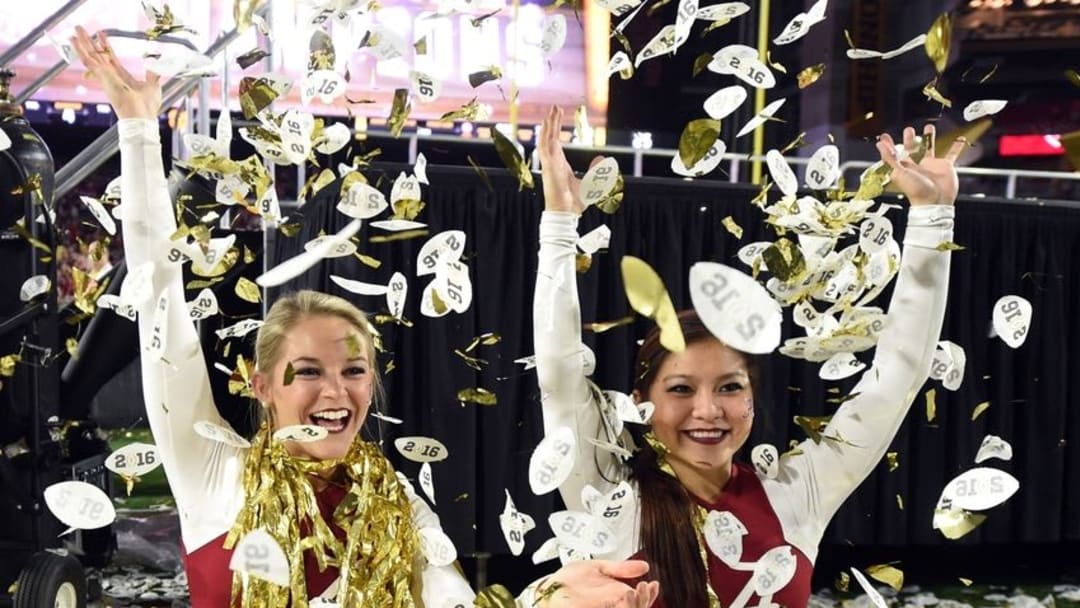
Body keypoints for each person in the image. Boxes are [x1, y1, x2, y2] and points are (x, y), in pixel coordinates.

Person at [71, 27, 661, 608]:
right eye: (306, 372)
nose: (335, 391)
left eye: (353, 370)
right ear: (262, 385)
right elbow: (158, 298)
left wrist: (548, 597)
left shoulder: (395, 497)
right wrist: (139, 131)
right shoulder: (213, 467)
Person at [534, 105, 965, 607]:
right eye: (680, 389)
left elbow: (898, 376)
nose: (708, 410)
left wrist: (934, 219)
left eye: (729, 387)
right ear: (640, 403)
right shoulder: (605, 492)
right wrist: (559, 225)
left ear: (753, 400)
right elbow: (560, 374)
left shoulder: (798, 491)